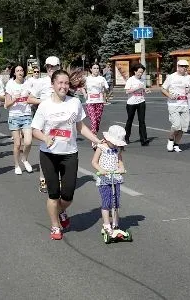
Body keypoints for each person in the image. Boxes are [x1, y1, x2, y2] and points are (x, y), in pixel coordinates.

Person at [31, 69, 102, 240]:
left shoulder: (74, 102)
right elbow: (35, 130)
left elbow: (80, 127)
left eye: (66, 83)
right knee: (53, 194)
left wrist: (97, 140)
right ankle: (55, 225)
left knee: (68, 195)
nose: (63, 86)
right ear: (53, 85)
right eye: (60, 83)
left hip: (69, 153)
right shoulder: (45, 105)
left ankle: (61, 210)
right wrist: (45, 138)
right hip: (49, 155)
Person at [29, 56, 61, 192]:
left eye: (53, 66)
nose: (51, 69)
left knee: (60, 150)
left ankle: (58, 178)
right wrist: (43, 102)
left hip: (61, 121)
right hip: (45, 122)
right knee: (46, 150)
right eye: (48, 66)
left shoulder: (63, 80)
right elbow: (29, 98)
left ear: (59, 67)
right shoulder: (41, 82)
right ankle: (43, 179)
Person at [91, 125, 126, 237]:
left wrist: (121, 168)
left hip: (115, 178)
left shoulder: (117, 149)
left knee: (116, 202)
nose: (116, 145)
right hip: (104, 179)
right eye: (114, 142)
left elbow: (120, 161)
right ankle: (107, 225)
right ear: (108, 139)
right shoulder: (101, 147)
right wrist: (101, 170)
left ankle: (116, 225)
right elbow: (94, 162)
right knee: (107, 202)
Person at [161, 59, 190, 152]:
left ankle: (176, 144)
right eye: (183, 66)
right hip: (173, 105)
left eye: (186, 67)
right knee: (176, 125)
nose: (185, 68)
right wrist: (170, 95)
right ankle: (170, 140)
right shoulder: (171, 77)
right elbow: (163, 89)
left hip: (184, 104)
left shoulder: (188, 77)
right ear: (178, 67)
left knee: (183, 128)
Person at [4, 65, 33, 175]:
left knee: (28, 142)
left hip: (26, 115)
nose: (20, 72)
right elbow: (6, 105)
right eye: (18, 71)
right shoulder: (10, 84)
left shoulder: (28, 83)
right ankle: (17, 165)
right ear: (14, 73)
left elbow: (32, 96)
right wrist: (14, 99)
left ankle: (24, 159)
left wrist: (30, 100)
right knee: (17, 144)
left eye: (21, 70)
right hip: (14, 116)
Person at [124, 63, 150, 146]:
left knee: (142, 121)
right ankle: (126, 137)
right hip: (131, 103)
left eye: (142, 72)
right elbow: (127, 91)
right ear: (135, 71)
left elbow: (143, 89)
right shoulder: (130, 80)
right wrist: (136, 88)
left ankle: (144, 139)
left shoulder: (142, 80)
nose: (140, 74)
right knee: (130, 121)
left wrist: (146, 90)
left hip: (141, 101)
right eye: (139, 72)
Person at [85, 63, 109, 149]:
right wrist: (85, 94)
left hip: (99, 102)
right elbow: (82, 87)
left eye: (97, 68)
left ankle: (94, 136)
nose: (96, 70)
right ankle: (94, 141)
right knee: (93, 121)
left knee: (97, 123)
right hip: (90, 102)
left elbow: (107, 89)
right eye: (94, 68)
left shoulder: (102, 79)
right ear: (91, 69)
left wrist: (104, 89)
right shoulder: (87, 79)